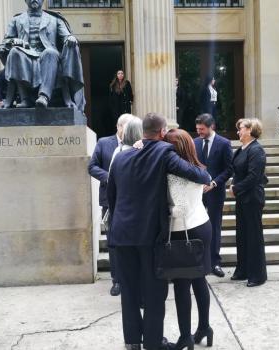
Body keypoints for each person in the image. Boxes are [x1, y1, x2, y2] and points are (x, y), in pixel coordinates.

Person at [107, 113, 210, 350]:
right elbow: (200, 176)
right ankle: (153, 343)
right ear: (163, 132)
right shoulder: (164, 153)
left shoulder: (121, 157)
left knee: (129, 290)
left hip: (122, 233)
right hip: (149, 235)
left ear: (143, 131)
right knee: (154, 292)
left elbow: (112, 197)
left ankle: (132, 340)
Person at [164, 128, 214, 350]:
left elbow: (180, 208)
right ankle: (204, 327)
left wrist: (162, 210)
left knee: (182, 285)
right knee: (200, 279)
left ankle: (186, 336)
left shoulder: (175, 173)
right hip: (202, 225)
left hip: (183, 230)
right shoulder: (198, 168)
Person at [0, 0, 85, 110]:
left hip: (47, 56)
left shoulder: (55, 19)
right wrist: (13, 41)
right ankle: (25, 99)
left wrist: (70, 38)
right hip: (26, 55)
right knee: (15, 52)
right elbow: (5, 41)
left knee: (50, 52)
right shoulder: (16, 20)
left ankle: (44, 96)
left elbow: (66, 36)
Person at [88, 113, 135, 296]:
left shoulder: (138, 144)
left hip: (132, 201)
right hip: (110, 201)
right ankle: (117, 280)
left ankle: (132, 277)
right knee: (113, 242)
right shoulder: (103, 143)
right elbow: (92, 167)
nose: (131, 131)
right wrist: (110, 178)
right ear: (119, 127)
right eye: (128, 127)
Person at [230, 118, 268, 288]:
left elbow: (254, 177)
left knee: (253, 236)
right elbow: (237, 171)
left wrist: (236, 188)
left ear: (251, 130)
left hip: (252, 198)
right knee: (242, 235)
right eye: (238, 129)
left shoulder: (256, 150)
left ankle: (257, 275)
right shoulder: (241, 150)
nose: (238, 131)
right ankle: (243, 270)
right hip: (242, 198)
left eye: (241, 128)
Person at [194, 113, 233, 278]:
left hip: (215, 192)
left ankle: (215, 262)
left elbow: (229, 168)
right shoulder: (194, 142)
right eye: (197, 129)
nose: (199, 132)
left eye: (202, 129)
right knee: (197, 227)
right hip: (197, 193)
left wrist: (214, 183)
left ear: (212, 127)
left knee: (215, 227)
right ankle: (200, 262)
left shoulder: (224, 143)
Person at [109, 70, 133, 135]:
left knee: (126, 122)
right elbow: (111, 97)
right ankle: (119, 135)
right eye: (119, 73)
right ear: (116, 75)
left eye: (122, 73)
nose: (120, 75)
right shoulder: (113, 85)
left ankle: (126, 135)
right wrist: (112, 107)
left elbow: (130, 93)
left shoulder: (127, 83)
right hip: (116, 107)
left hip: (125, 106)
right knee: (118, 122)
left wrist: (130, 100)